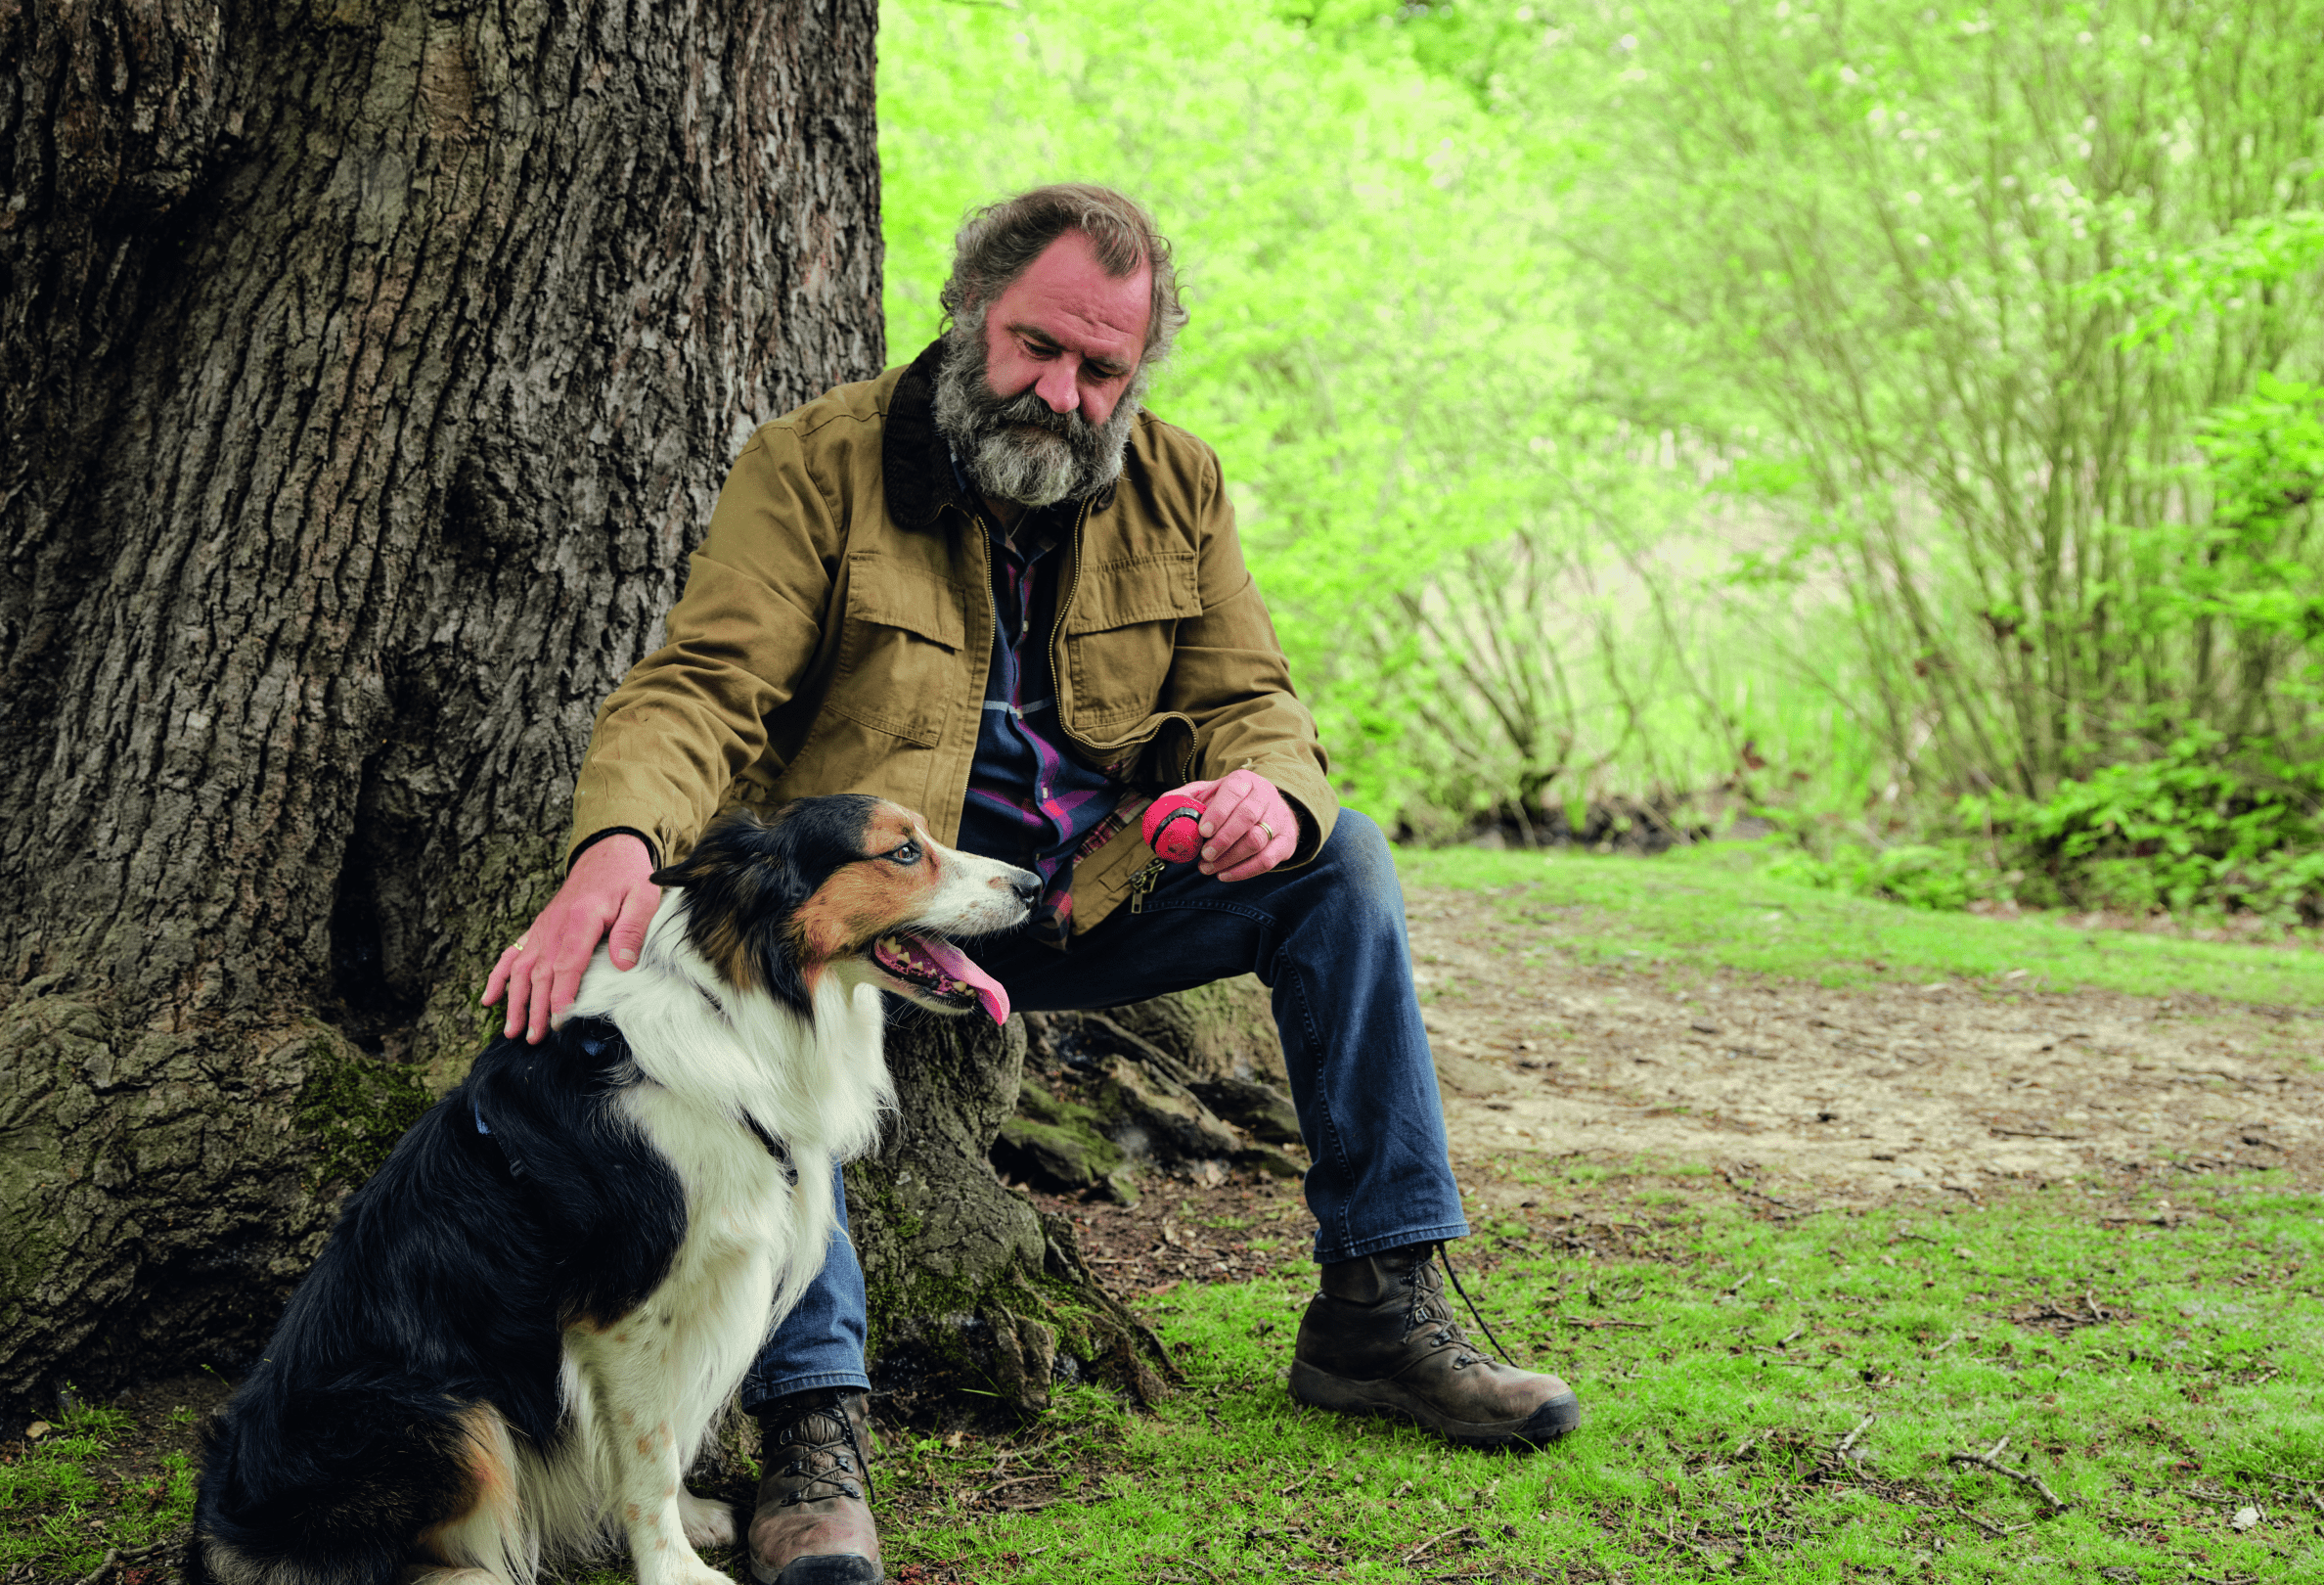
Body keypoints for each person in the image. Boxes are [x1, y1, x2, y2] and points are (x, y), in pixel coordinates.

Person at [484, 183, 1575, 1585]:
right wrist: (617, 854)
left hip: (1078, 902)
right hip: (881, 915)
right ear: (968, 319)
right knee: (758, 1052)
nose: (1062, 393)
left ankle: (1381, 1307)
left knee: (1342, 858)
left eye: (1102, 368)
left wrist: (1263, 793)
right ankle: (812, 1437)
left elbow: (1254, 698)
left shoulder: (1180, 483)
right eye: (1036, 348)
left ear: (1137, 373)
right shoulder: (815, 465)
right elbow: (702, 688)